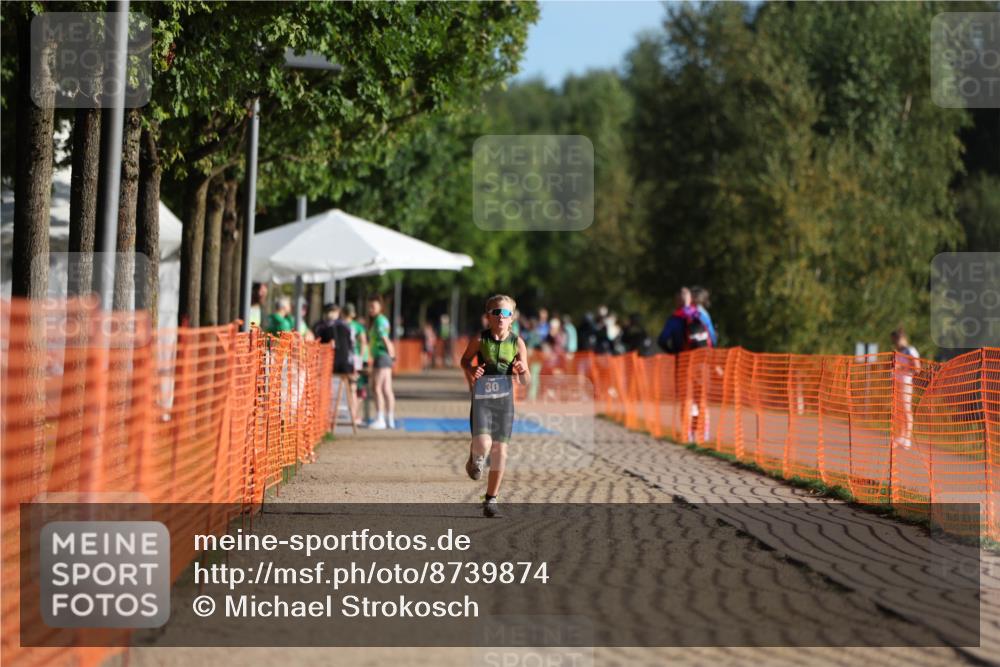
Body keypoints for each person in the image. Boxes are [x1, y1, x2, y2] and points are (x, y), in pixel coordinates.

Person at [460, 294, 531, 518]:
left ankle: (491, 499)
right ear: (488, 317)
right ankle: (475, 457)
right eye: (497, 313)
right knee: (483, 444)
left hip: (505, 402)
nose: (502, 317)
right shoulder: (480, 340)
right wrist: (471, 371)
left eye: (507, 313)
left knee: (501, 450)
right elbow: (465, 360)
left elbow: (526, 380)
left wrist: (522, 370)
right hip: (482, 400)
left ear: (513, 319)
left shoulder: (517, 343)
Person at [367, 295, 396, 430]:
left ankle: (380, 418)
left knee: (377, 387)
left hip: (381, 356)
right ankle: (389, 418)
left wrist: (391, 353)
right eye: (369, 306)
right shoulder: (382, 320)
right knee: (386, 389)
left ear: (380, 307)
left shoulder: (379, 321)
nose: (370, 309)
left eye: (373, 306)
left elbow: (384, 338)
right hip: (385, 356)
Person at [891, 327, 920, 450]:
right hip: (897, 382)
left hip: (906, 383)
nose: (896, 343)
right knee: (899, 410)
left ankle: (907, 438)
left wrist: (900, 368)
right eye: (894, 340)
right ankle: (901, 436)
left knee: (906, 409)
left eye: (897, 340)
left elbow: (917, 368)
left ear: (903, 338)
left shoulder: (910, 350)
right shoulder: (898, 351)